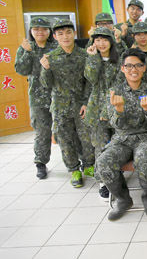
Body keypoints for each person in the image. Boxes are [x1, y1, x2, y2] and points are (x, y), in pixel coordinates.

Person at [96, 48, 147, 220]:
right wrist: (119, 111)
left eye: (138, 65)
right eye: (129, 66)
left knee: (144, 158)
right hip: (122, 138)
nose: (133, 69)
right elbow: (113, 124)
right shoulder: (114, 92)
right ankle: (123, 199)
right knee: (103, 162)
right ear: (122, 68)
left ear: (144, 68)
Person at [39, 19, 94, 188]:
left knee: (86, 138)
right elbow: (46, 84)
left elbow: (89, 81)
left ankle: (89, 165)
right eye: (60, 34)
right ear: (55, 36)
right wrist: (45, 69)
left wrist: (86, 102)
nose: (65, 37)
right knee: (65, 139)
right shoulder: (50, 58)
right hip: (60, 107)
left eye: (68, 32)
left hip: (81, 105)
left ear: (74, 34)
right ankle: (74, 170)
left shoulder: (84, 55)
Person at [15, 17, 58, 179]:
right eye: (37, 29)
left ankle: (77, 162)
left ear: (49, 31)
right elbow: (21, 70)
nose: (40, 32)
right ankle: (41, 163)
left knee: (68, 131)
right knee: (42, 132)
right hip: (38, 98)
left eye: (44, 29)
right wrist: (26, 52)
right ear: (31, 31)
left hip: (58, 96)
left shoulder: (56, 46)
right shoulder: (26, 47)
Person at [84, 27, 121, 200]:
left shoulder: (120, 58)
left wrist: (110, 108)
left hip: (116, 107)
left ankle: (116, 177)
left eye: (104, 39)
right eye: (97, 40)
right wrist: (92, 59)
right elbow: (91, 79)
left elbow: (122, 83)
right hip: (96, 110)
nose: (101, 43)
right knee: (100, 146)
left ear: (111, 41)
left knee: (116, 144)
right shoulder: (91, 58)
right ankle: (103, 183)